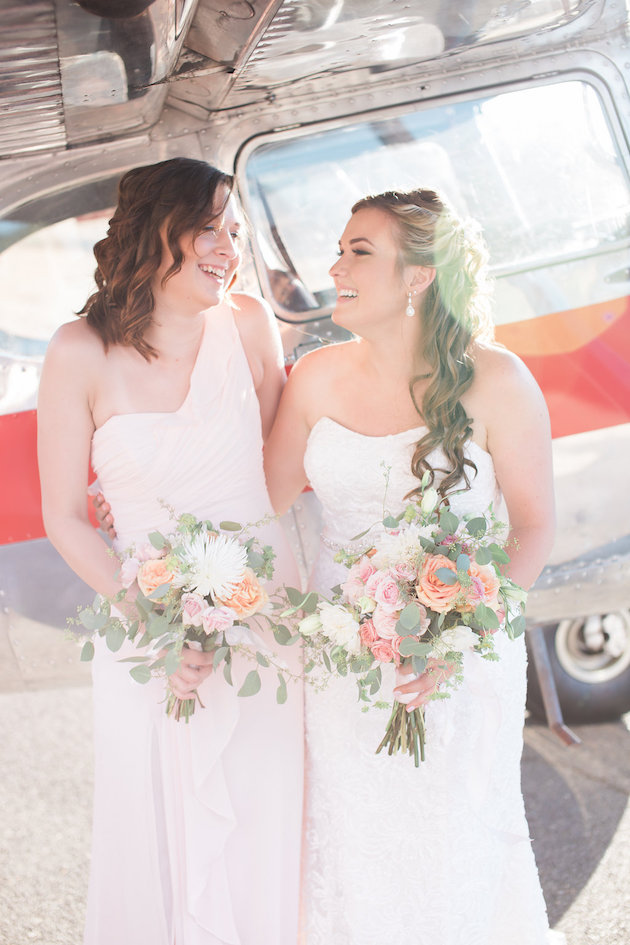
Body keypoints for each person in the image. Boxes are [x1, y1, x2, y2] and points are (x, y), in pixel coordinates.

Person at [263, 189, 558, 944]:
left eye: (359, 251)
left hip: (462, 662)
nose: (335, 268)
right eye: (339, 250)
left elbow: (533, 527)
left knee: (453, 853)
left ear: (419, 275)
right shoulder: (313, 377)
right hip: (342, 661)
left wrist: (458, 637)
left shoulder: (497, 379)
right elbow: (259, 499)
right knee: (356, 850)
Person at [37, 157, 304, 945]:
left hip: (265, 623)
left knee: (265, 824)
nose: (230, 248)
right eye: (211, 228)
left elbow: (279, 472)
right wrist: (155, 618)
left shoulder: (249, 325)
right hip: (144, 630)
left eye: (236, 232)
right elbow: (65, 517)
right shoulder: (77, 351)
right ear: (159, 228)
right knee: (160, 835)